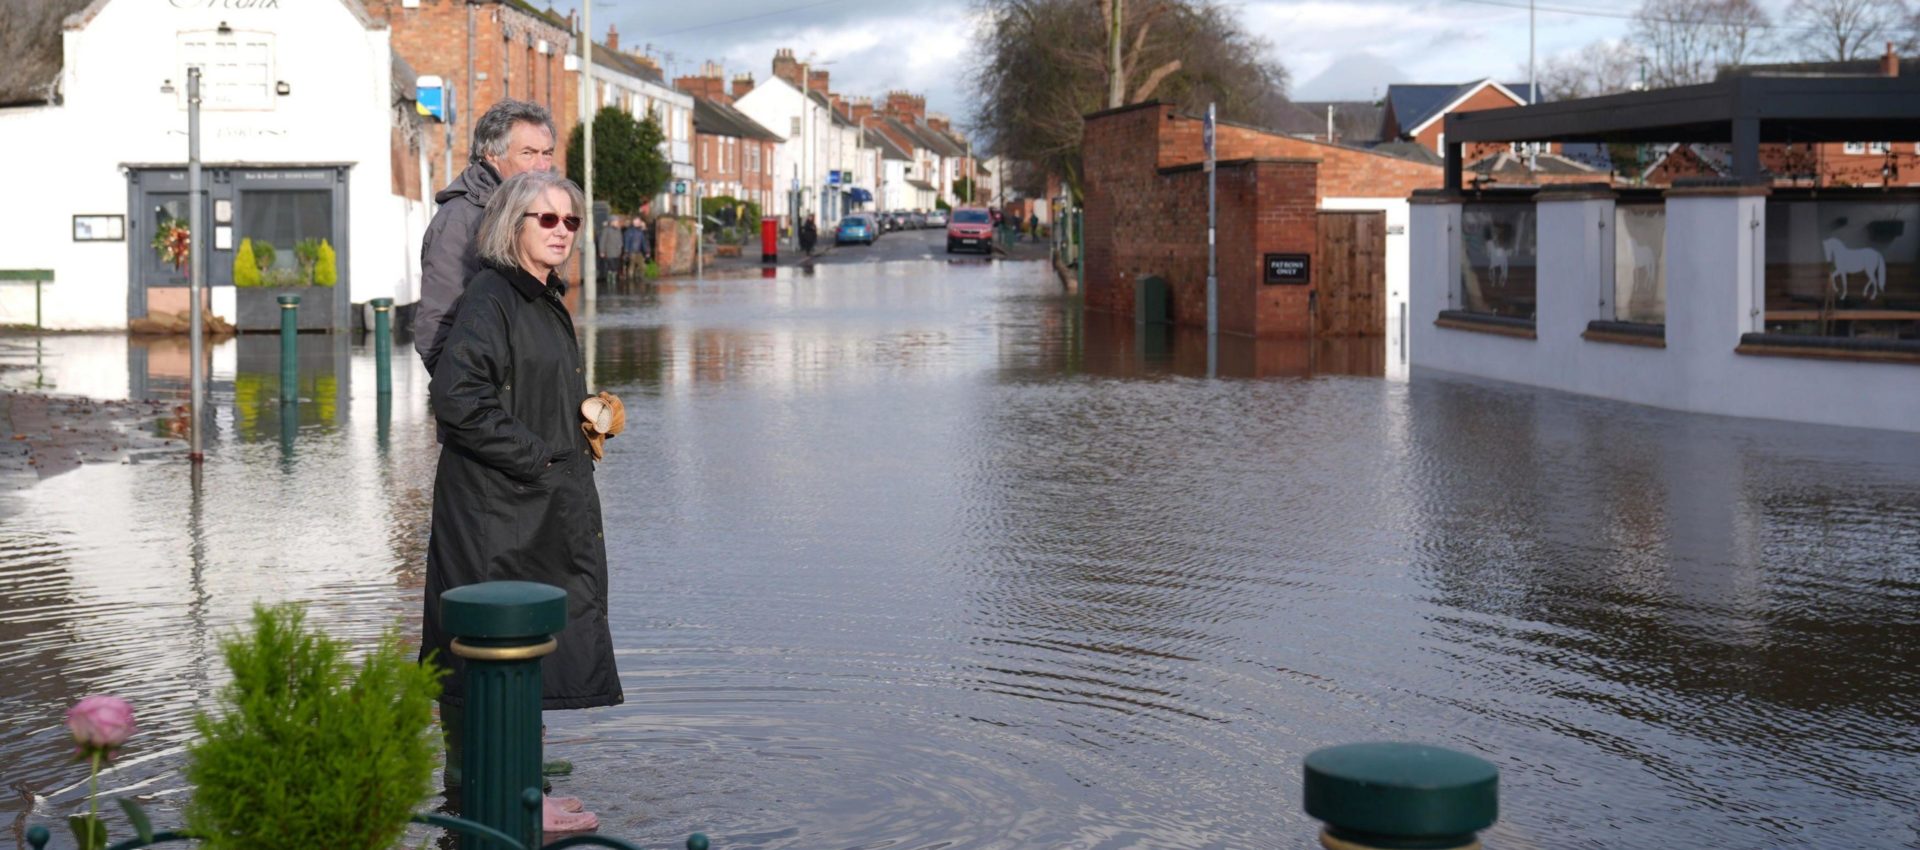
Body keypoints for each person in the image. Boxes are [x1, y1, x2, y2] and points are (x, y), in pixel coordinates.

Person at [423, 170, 618, 835]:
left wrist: (584, 418)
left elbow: (522, 391)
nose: (562, 231)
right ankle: (491, 810)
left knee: (525, 654)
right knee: (484, 660)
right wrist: (539, 456)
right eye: (548, 219)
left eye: (571, 221)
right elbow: (458, 401)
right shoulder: (491, 298)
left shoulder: (541, 300)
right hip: (492, 514)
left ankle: (522, 796)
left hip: (528, 508)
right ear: (513, 224)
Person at [414, 99, 556, 375]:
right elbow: (436, 325)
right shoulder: (462, 220)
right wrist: (472, 405)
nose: (542, 166)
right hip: (491, 401)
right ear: (492, 154)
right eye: (528, 153)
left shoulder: (527, 210)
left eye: (547, 154)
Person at [597, 214, 624, 287]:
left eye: (617, 221)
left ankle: (613, 279)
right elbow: (602, 241)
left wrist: (620, 247)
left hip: (617, 252)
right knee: (611, 267)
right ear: (611, 222)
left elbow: (620, 239)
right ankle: (610, 280)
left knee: (615, 267)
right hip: (609, 252)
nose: (617, 223)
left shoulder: (618, 230)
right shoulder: (606, 230)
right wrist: (602, 251)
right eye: (615, 221)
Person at [623, 214, 649, 281]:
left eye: (639, 221)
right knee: (631, 266)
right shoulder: (629, 231)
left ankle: (640, 278)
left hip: (639, 252)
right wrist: (626, 251)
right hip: (631, 251)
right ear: (634, 222)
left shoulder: (640, 231)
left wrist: (646, 251)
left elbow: (643, 242)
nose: (638, 222)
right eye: (637, 221)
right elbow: (626, 241)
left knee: (643, 266)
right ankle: (630, 280)